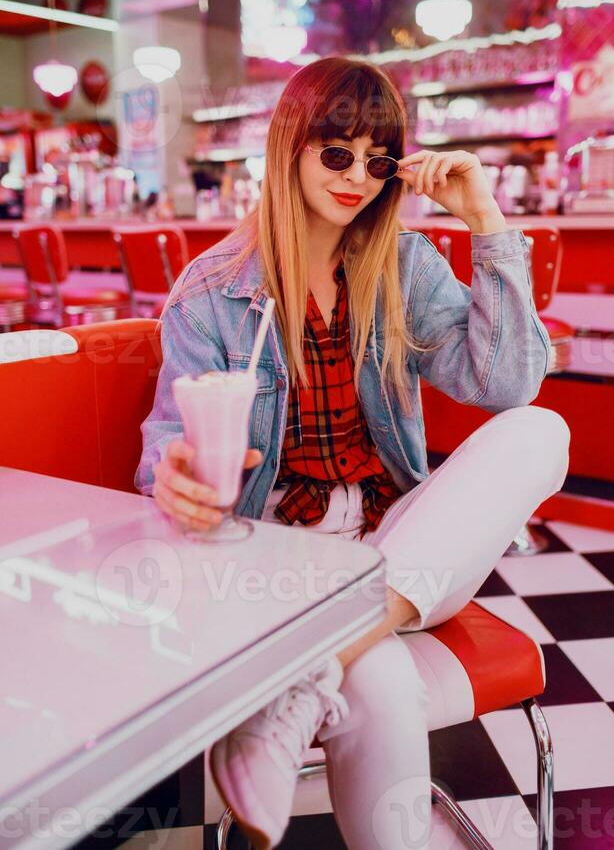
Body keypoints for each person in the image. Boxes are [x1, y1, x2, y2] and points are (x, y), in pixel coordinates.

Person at [136, 56, 570, 850]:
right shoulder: (211, 294)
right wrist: (177, 480)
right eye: (336, 153)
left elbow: (509, 385)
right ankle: (331, 655)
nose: (359, 177)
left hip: (403, 547)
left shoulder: (401, 265)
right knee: (386, 687)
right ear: (290, 147)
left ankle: (307, 666)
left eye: (379, 159)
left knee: (542, 430)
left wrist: (485, 217)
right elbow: (170, 449)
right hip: (280, 561)